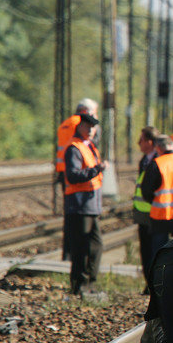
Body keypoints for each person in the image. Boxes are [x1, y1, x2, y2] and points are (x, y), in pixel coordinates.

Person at [63, 112, 106, 298]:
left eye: (93, 127)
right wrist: (96, 169)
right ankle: (78, 286)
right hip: (79, 206)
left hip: (90, 205)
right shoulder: (74, 148)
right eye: (87, 126)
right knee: (81, 249)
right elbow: (72, 176)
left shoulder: (89, 147)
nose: (90, 130)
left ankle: (90, 283)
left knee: (96, 245)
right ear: (79, 127)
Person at [56, 98, 98, 260]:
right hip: (79, 172)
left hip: (63, 170)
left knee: (69, 215)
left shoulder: (64, 123)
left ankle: (66, 253)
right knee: (78, 219)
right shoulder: (82, 125)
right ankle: (75, 254)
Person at [131, 127, 159, 275]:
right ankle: (148, 279)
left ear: (150, 141)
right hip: (143, 210)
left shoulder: (158, 159)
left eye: (141, 140)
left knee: (154, 247)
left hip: (154, 210)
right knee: (145, 248)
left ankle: (153, 281)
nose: (138, 142)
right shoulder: (144, 159)